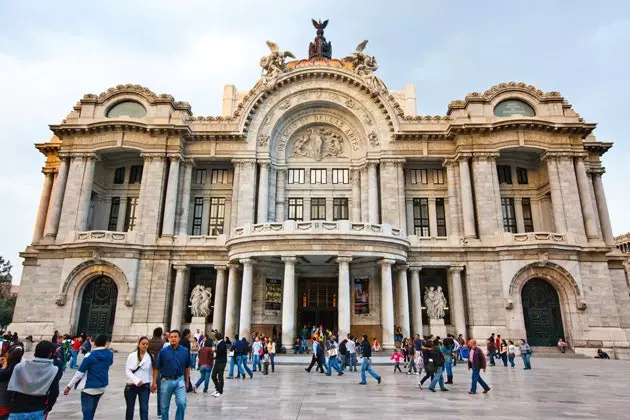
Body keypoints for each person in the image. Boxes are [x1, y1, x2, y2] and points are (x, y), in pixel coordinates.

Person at [64, 334, 114, 420]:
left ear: (94, 343)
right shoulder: (110, 354)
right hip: (101, 386)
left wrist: (69, 386)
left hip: (89, 387)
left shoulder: (89, 355)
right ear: (105, 343)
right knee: (92, 412)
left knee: (87, 414)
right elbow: (109, 363)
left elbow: (79, 373)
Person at [8, 341, 63, 419]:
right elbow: (54, 392)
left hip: (17, 408)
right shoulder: (53, 370)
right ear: (50, 353)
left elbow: (11, 388)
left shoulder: (19, 367)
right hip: (38, 408)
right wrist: (49, 406)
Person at [151, 330, 190, 420]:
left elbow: (187, 367)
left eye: (175, 337)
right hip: (166, 381)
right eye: (171, 337)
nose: (173, 339)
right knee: (164, 407)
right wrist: (154, 382)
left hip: (179, 380)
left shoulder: (185, 351)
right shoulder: (163, 352)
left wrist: (187, 382)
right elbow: (156, 367)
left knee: (182, 403)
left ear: (179, 338)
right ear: (169, 338)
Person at [124, 336, 152, 420]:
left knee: (144, 408)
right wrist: (136, 380)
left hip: (144, 386)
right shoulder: (132, 355)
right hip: (131, 385)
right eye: (143, 344)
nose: (145, 345)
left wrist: (151, 384)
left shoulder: (150, 357)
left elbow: (150, 373)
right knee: (130, 409)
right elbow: (128, 371)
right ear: (139, 344)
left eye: (147, 344)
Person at [0, 347, 24, 419]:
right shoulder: (19, 369)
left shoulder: (5, 372)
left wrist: (3, 366)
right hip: (12, 405)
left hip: (3, 405)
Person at [148, 327, 164, 418]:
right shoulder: (163, 343)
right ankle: (160, 412)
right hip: (158, 369)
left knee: (145, 392)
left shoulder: (148, 342)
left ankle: (144, 411)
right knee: (160, 391)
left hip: (147, 370)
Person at [211, 333, 227, 397]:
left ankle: (220, 391)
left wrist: (215, 350)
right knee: (213, 375)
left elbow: (222, 352)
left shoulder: (222, 343)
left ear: (216, 338)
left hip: (221, 362)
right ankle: (217, 388)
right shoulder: (219, 343)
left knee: (220, 376)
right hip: (218, 361)